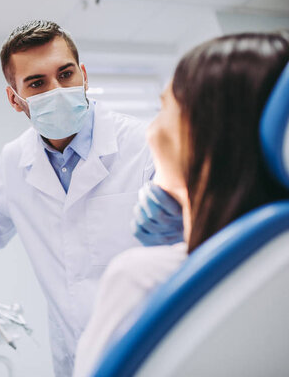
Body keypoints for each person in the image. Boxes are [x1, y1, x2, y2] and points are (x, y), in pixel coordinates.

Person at [0, 20, 157, 376]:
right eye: (37, 83)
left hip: (154, 344)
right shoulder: (15, 160)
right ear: (15, 99)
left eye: (65, 74)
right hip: (77, 355)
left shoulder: (144, 143)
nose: (57, 89)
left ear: (84, 76)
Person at [73, 31, 289, 377]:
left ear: (201, 133)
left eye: (163, 108)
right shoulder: (277, 259)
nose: (151, 129)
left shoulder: (140, 277)